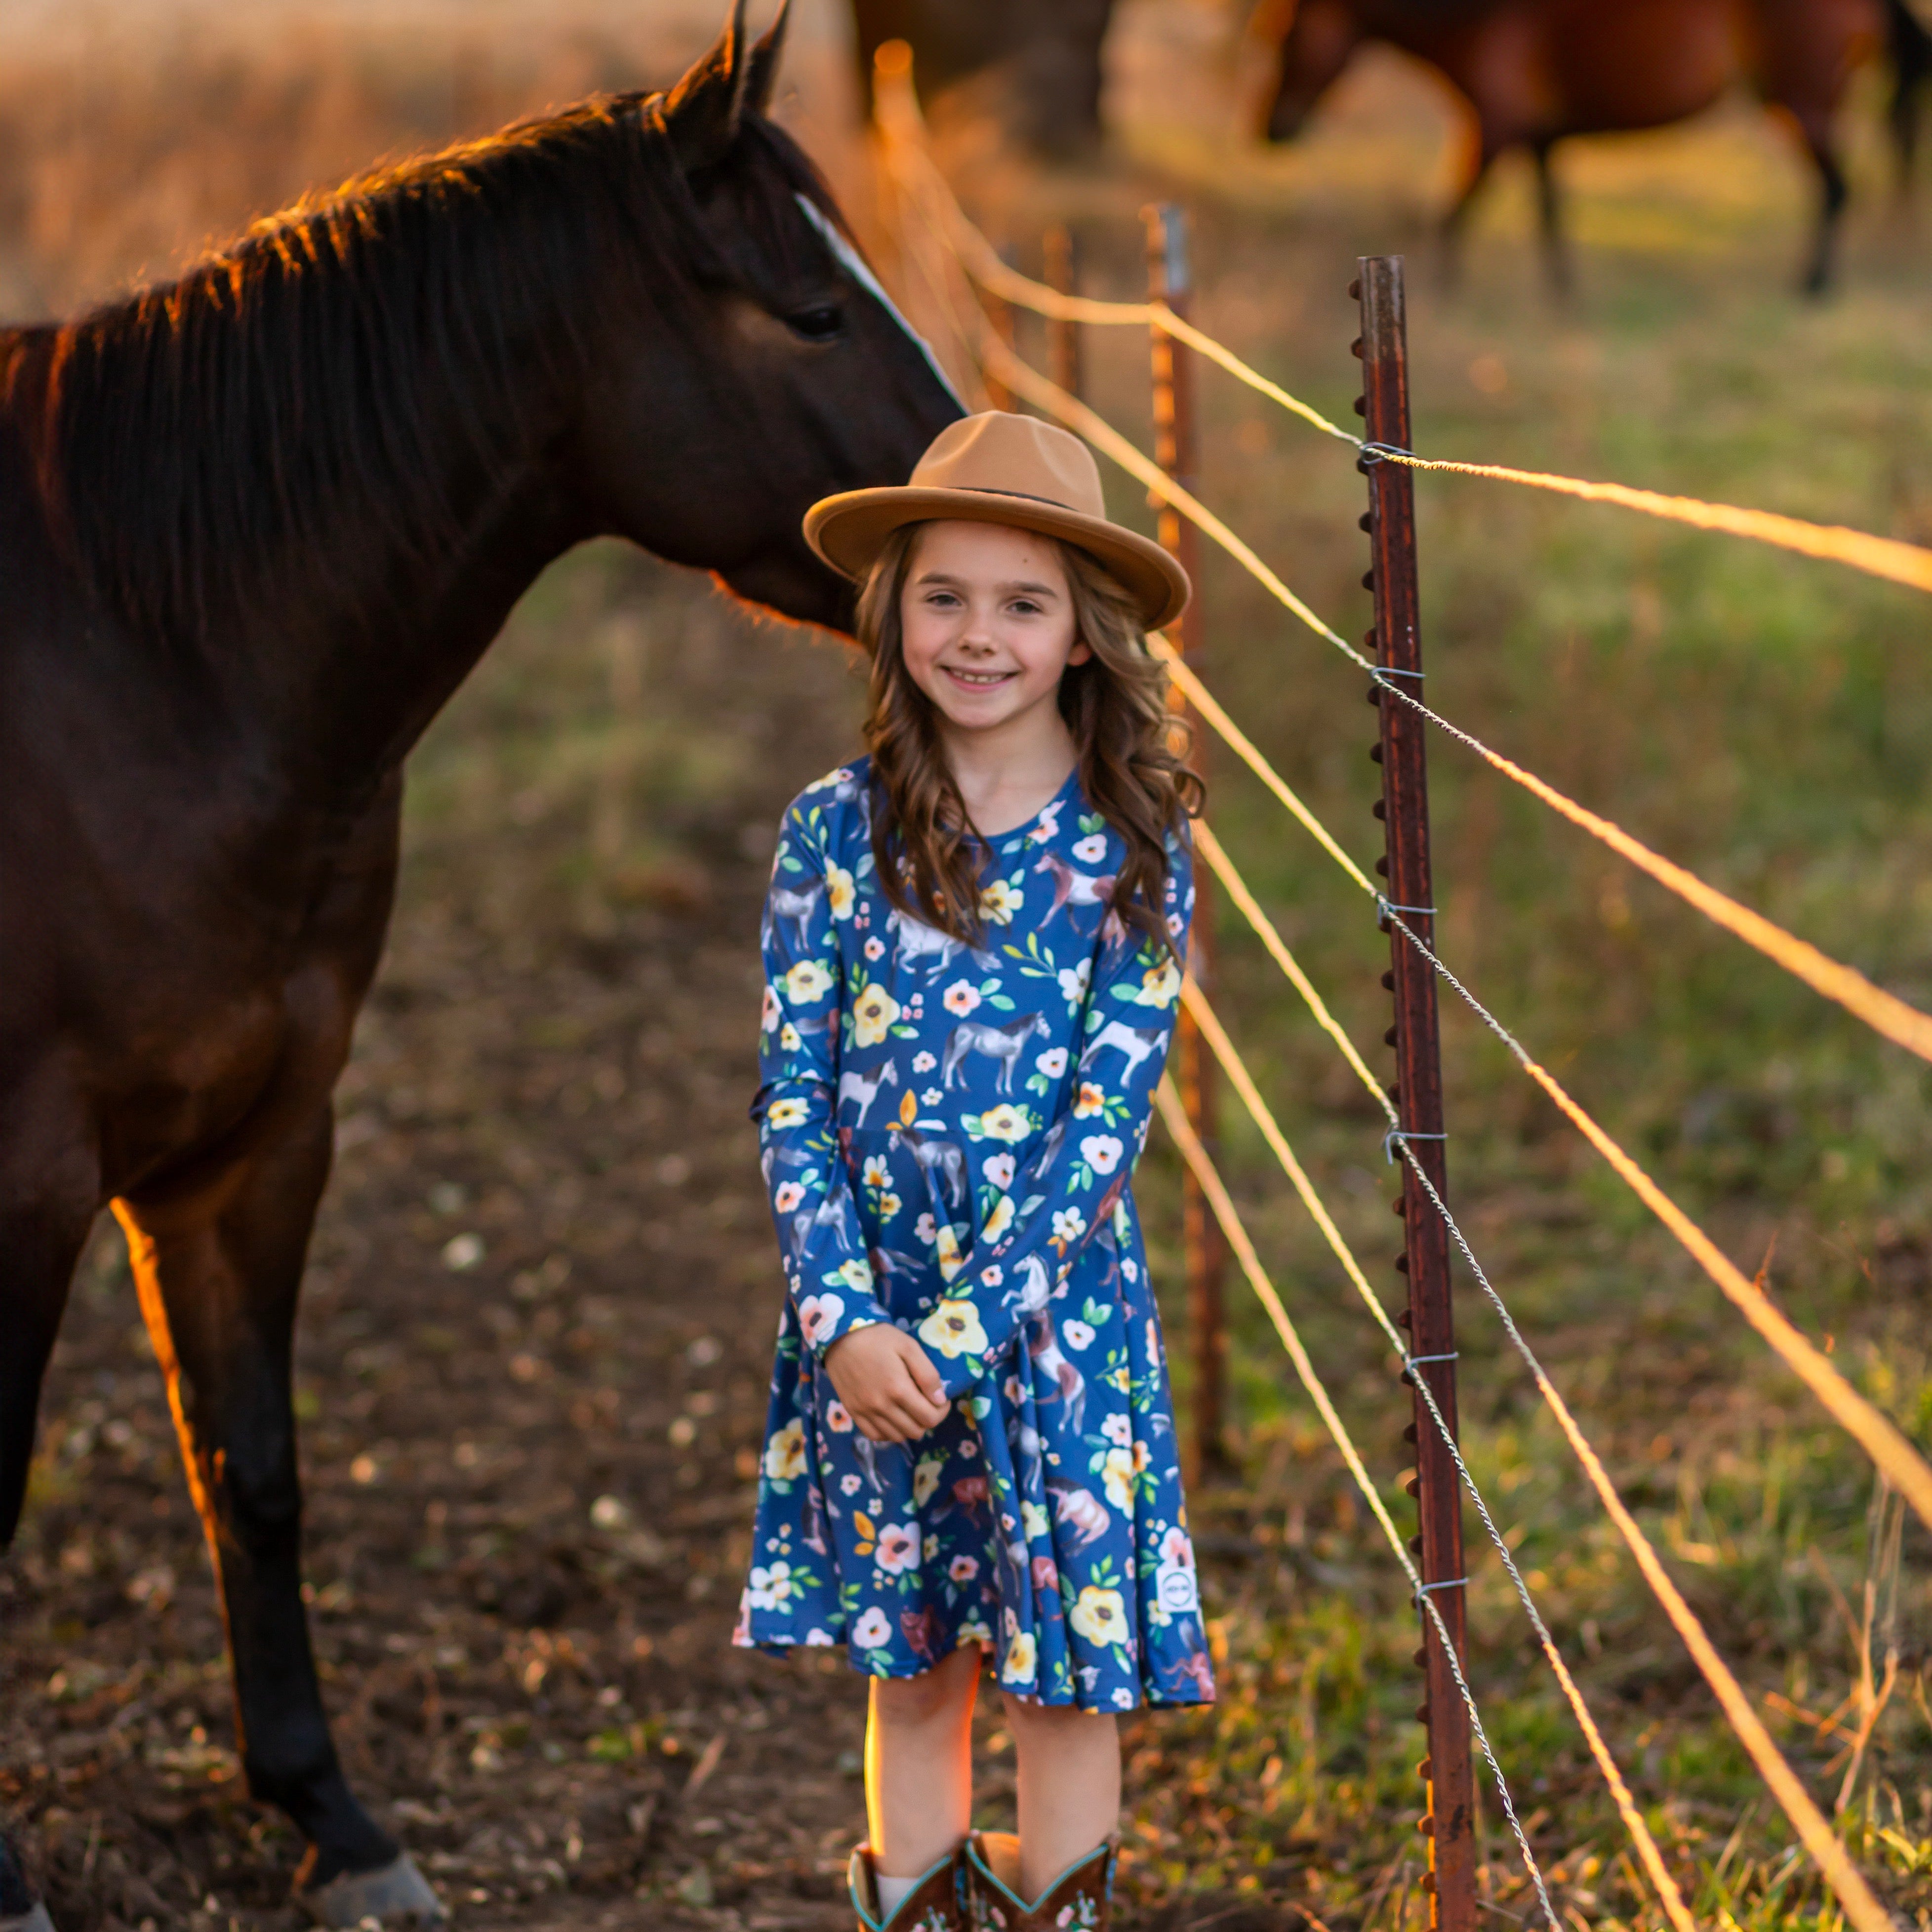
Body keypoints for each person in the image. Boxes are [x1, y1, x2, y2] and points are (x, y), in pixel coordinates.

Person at [733, 412, 1215, 1932]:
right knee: (919, 1660)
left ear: (1084, 634)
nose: (979, 635)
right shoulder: (833, 831)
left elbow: (1103, 1128)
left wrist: (955, 1337)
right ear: (894, 612)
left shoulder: (1133, 845)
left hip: (1053, 1330)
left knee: (1065, 1683)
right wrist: (847, 1322)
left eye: (1023, 603)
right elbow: (791, 1094)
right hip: (868, 1325)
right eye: (944, 596)